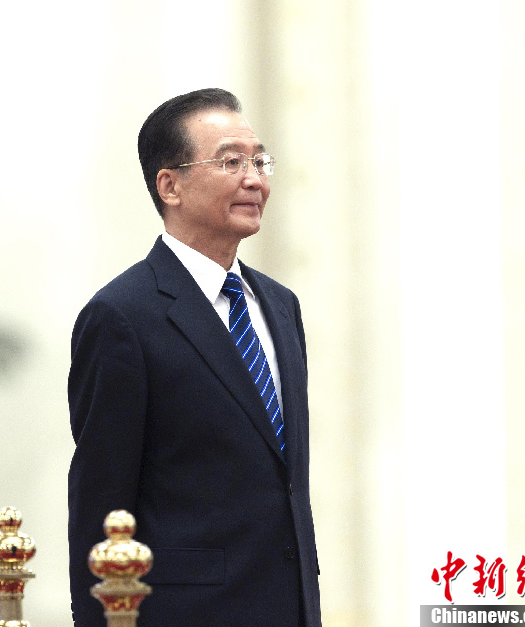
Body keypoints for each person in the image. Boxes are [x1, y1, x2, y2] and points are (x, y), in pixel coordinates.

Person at [67, 88, 321, 626]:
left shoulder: (279, 305)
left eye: (258, 161)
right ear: (170, 185)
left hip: (289, 606)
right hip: (184, 611)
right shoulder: (122, 317)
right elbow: (100, 503)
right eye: (231, 162)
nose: (254, 179)